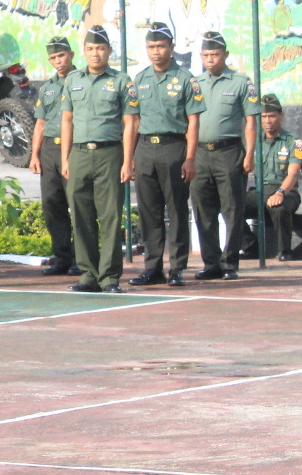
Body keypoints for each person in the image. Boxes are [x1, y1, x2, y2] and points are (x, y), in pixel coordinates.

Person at [125, 22, 203, 287]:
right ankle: (152, 267)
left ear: (171, 47)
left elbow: (193, 121)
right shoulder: (140, 79)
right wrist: (131, 157)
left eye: (160, 46)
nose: (155, 52)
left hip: (174, 147)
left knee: (177, 210)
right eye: (151, 47)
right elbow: (133, 122)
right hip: (145, 149)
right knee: (149, 211)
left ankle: (177, 267)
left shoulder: (185, 79)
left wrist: (190, 157)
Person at [61, 26, 135, 294]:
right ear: (83, 51)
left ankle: (110, 277)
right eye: (90, 49)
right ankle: (88, 275)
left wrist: (128, 160)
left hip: (109, 154)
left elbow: (130, 123)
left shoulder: (121, 81)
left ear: (109, 51)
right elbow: (67, 121)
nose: (95, 53)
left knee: (111, 216)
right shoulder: (72, 80)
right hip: (79, 154)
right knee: (80, 216)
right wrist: (65, 159)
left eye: (100, 48)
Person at [189, 31, 259, 281]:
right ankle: (211, 263)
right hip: (199, 154)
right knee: (202, 210)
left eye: (215, 54)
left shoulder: (241, 82)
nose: (210, 59)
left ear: (225, 55)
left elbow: (251, 122)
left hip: (229, 152)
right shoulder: (194, 83)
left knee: (232, 209)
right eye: (206, 54)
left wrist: (249, 154)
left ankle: (230, 263)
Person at [30, 36, 76, 276]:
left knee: (78, 204)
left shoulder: (81, 81)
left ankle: (81, 258)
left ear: (71, 54)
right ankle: (62, 257)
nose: (58, 61)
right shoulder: (47, 88)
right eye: (53, 58)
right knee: (52, 204)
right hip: (49, 150)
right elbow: (40, 123)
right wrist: (34, 154)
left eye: (61, 56)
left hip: (75, 149)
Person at [254, 94, 302, 261]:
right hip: (260, 191)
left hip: (286, 191)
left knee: (279, 209)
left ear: (281, 116)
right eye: (264, 117)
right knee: (232, 205)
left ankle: (285, 251)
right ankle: (249, 246)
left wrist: (280, 192)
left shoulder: (293, 141)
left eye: (272, 116)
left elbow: (293, 172)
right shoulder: (254, 141)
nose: (268, 121)